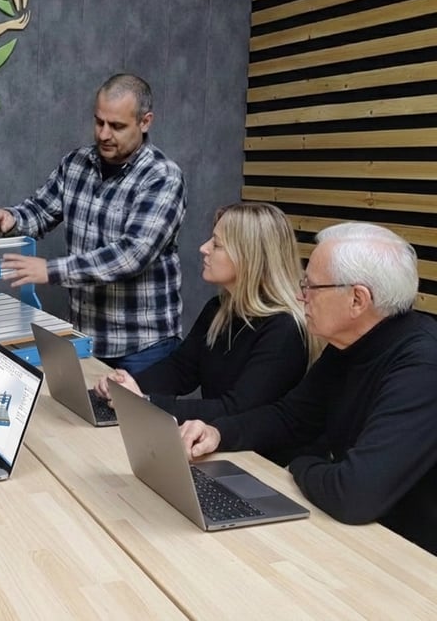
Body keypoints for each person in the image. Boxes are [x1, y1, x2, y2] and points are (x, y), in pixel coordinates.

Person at [180, 222, 437, 555]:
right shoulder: (350, 343)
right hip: (367, 534)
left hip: (413, 556)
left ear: (357, 299)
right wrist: (218, 432)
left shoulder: (423, 366)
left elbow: (354, 494)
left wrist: (300, 465)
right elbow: (292, 417)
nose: (301, 296)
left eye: (311, 286)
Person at [0, 73, 187, 374]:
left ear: (145, 122)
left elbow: (132, 255)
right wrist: (11, 218)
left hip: (143, 346)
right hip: (86, 338)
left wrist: (50, 270)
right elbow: (40, 211)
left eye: (117, 126)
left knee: (138, 409)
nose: (104, 134)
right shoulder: (75, 164)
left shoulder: (162, 176)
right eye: (99, 122)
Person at [94, 202, 311, 431]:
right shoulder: (218, 308)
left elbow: (238, 409)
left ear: (249, 257)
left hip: (254, 451)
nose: (204, 248)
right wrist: (125, 386)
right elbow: (181, 369)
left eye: (216, 244)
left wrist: (146, 403)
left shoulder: (284, 330)